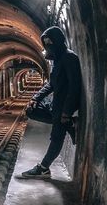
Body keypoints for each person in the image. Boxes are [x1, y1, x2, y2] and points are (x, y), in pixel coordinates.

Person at [19, 25, 81, 179]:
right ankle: (70, 124)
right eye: (46, 43)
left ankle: (44, 168)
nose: (48, 46)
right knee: (31, 110)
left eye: (50, 42)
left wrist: (67, 112)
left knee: (56, 137)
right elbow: (51, 84)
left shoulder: (69, 58)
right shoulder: (57, 60)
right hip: (56, 105)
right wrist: (35, 98)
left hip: (64, 106)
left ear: (58, 41)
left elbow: (75, 87)